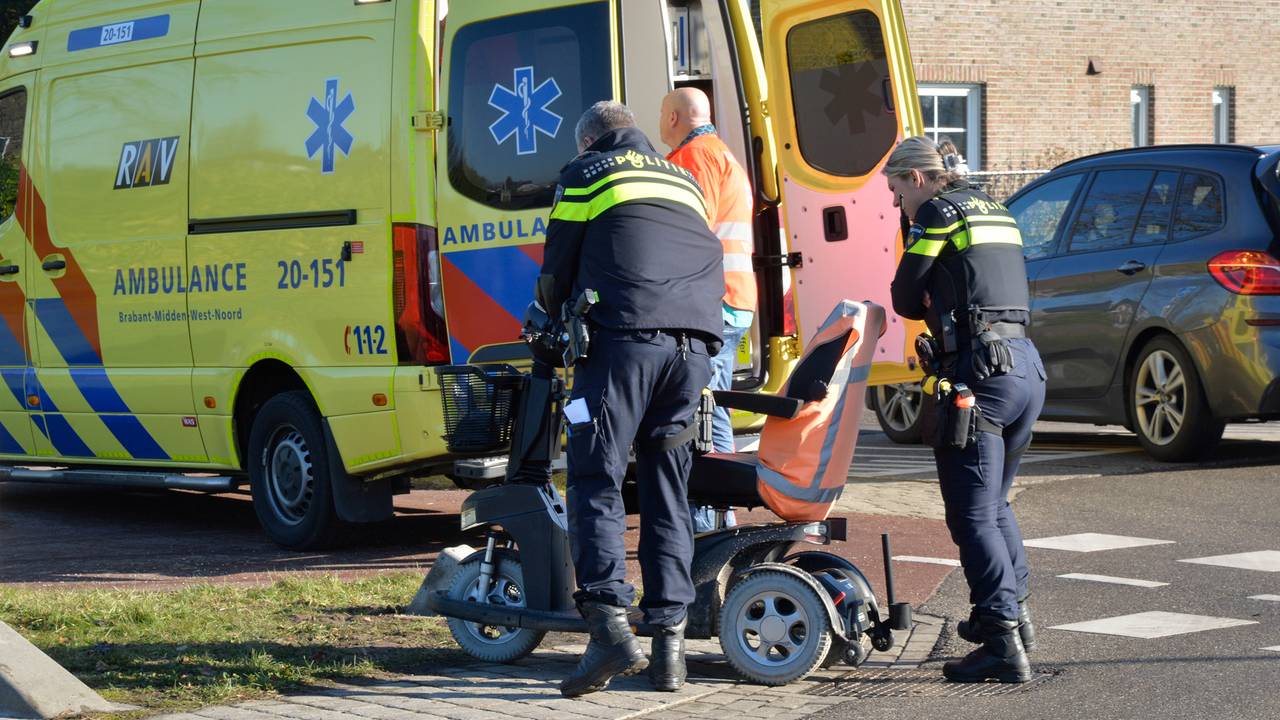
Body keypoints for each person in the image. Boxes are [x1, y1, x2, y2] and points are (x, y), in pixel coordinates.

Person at [538, 100, 724, 697]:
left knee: (596, 478)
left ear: (589, 140)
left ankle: (608, 630)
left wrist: (546, 320)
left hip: (624, 344)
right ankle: (670, 649)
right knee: (670, 489)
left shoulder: (588, 172)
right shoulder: (683, 177)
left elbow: (557, 265)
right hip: (694, 350)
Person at [885, 136, 1046, 684]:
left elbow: (905, 296)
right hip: (1025, 366)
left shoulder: (935, 211)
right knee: (996, 504)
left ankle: (1001, 641)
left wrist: (919, 260)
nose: (896, 205)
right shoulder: (995, 208)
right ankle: (1013, 619)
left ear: (917, 178)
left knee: (971, 514)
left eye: (895, 191)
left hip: (980, 372)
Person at [658, 87, 756, 532]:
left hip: (710, 301)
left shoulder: (694, 157)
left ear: (675, 117)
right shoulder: (724, 155)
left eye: (662, 116)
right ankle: (718, 514)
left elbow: (688, 233)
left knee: (705, 405)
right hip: (734, 297)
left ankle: (714, 518)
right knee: (713, 404)